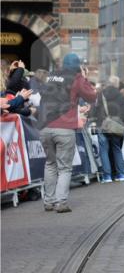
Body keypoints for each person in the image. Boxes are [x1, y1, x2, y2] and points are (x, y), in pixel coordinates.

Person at [38, 53, 97, 213]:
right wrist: (84, 77)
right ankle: (61, 202)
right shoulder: (76, 78)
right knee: (64, 167)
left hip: (44, 127)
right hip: (63, 127)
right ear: (77, 66)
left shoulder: (51, 76)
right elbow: (91, 95)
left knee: (50, 164)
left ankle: (48, 201)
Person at [92, 75, 124, 183]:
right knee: (117, 149)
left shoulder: (101, 94)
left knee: (104, 150)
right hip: (117, 126)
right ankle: (121, 174)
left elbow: (95, 110)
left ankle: (107, 176)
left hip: (103, 125)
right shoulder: (122, 96)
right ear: (117, 84)